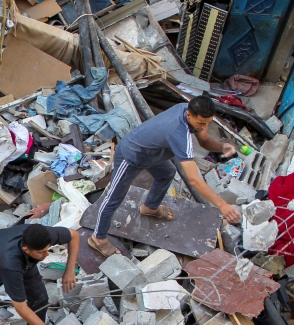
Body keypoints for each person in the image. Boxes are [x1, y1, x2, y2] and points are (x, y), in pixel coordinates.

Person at [88, 96, 242, 257]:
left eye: (208, 122)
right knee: (114, 198)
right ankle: (97, 238)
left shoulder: (189, 110)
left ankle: (150, 207)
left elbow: (204, 142)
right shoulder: (178, 133)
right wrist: (222, 205)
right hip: (131, 156)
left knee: (167, 172)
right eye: (201, 123)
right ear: (189, 115)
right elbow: (194, 179)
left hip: (152, 154)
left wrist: (222, 146)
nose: (205, 127)